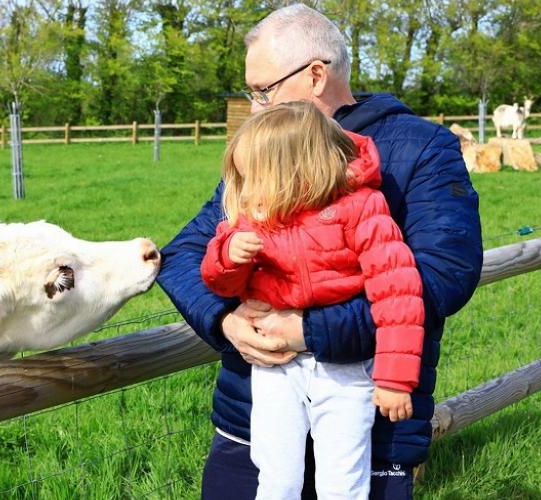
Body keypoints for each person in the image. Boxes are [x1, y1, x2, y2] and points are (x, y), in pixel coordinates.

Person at [156, 4, 483, 500]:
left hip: (372, 419)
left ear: (314, 75)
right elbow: (184, 253)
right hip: (253, 415)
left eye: (263, 91)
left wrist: (308, 332)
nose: (256, 107)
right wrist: (227, 322)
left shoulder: (420, 149)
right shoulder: (268, 152)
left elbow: (443, 276)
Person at [200, 101, 424, 499]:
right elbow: (221, 285)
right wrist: (227, 256)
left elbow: (398, 293)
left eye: (256, 176)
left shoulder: (361, 209)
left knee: (343, 480)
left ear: (293, 171)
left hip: (344, 366)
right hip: (276, 368)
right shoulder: (256, 216)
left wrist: (394, 380)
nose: (247, 190)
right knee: (276, 475)